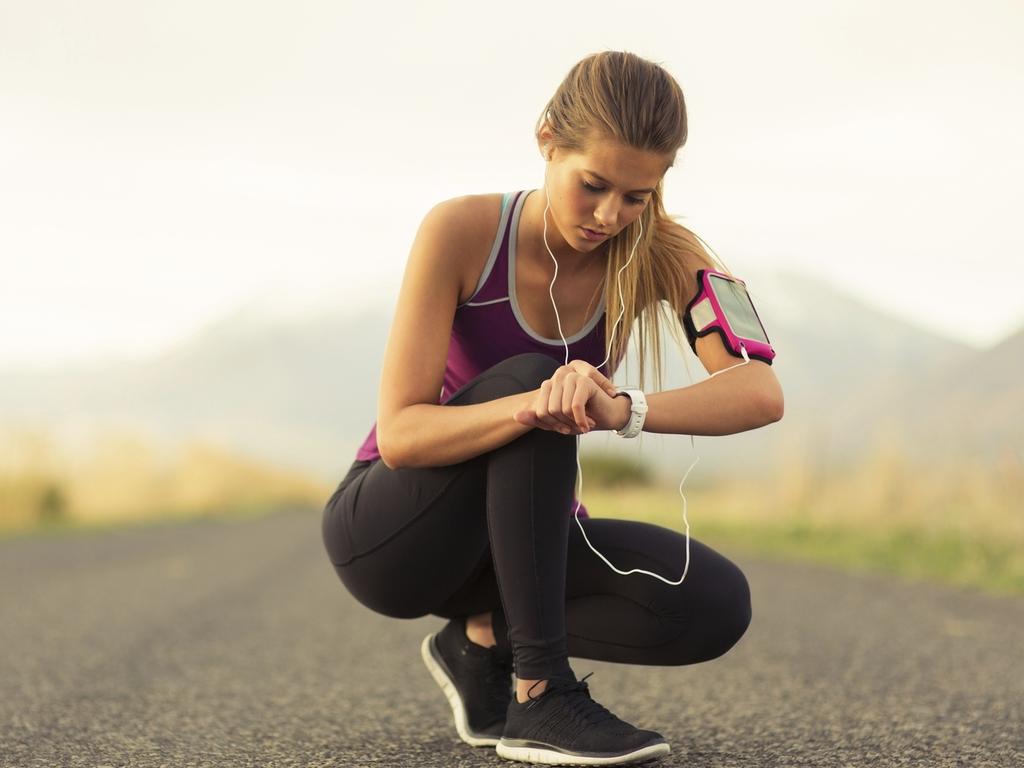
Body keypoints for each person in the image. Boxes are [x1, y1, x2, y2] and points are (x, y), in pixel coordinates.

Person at [321, 50, 784, 766]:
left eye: (638, 196)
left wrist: (620, 409)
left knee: (715, 601)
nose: (611, 216)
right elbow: (404, 434)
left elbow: (759, 391)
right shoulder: (460, 232)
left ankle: (481, 646)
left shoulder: (667, 252)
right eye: (593, 185)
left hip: (525, 540)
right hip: (395, 535)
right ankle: (539, 695)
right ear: (547, 141)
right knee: (541, 382)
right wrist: (539, 404)